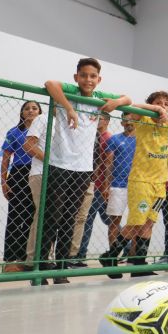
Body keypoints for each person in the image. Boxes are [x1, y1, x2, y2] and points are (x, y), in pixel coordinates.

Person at [26, 59, 128, 281]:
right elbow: (50, 83)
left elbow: (127, 98)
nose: (88, 80)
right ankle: (40, 269)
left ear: (99, 79)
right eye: (83, 75)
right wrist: (69, 108)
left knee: (69, 219)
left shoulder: (99, 97)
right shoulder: (71, 92)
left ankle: (61, 269)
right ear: (76, 77)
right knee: (51, 218)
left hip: (83, 170)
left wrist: (116, 103)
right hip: (59, 165)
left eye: (93, 76)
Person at [116, 91, 168, 274]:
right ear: (151, 104)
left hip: (160, 183)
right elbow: (131, 107)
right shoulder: (143, 117)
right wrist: (155, 109)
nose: (163, 106)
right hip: (142, 180)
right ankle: (110, 256)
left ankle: (139, 265)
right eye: (159, 102)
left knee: (149, 223)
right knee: (135, 223)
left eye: (166, 104)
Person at [0, 100, 41, 272]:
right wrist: (4, 181)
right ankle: (10, 260)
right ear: (22, 113)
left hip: (37, 174)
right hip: (18, 175)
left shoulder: (44, 132)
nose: (30, 111)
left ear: (40, 113)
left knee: (32, 217)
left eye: (34, 108)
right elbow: (6, 157)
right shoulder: (14, 132)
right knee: (15, 217)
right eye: (27, 108)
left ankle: (25, 259)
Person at [72, 115, 114, 264]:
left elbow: (108, 163)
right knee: (109, 219)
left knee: (87, 219)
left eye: (101, 118)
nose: (97, 121)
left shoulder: (107, 138)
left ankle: (80, 254)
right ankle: (127, 246)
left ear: (107, 121)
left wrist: (105, 186)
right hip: (94, 185)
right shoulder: (95, 136)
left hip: (99, 186)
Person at [97, 119, 136, 275]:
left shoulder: (142, 141)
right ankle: (112, 260)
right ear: (121, 123)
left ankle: (134, 259)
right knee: (114, 222)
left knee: (137, 223)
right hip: (117, 185)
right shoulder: (114, 139)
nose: (129, 122)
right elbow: (108, 163)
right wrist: (106, 185)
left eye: (132, 119)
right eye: (126, 120)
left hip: (137, 186)